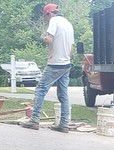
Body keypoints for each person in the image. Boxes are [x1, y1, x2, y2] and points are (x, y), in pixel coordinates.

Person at [20, 3, 74, 133]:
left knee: (40, 89)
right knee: (63, 94)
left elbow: (49, 40)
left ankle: (34, 120)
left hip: (56, 63)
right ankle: (64, 124)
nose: (45, 19)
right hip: (66, 63)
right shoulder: (68, 24)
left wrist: (43, 38)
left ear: (49, 13)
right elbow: (71, 47)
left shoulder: (54, 21)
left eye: (45, 16)